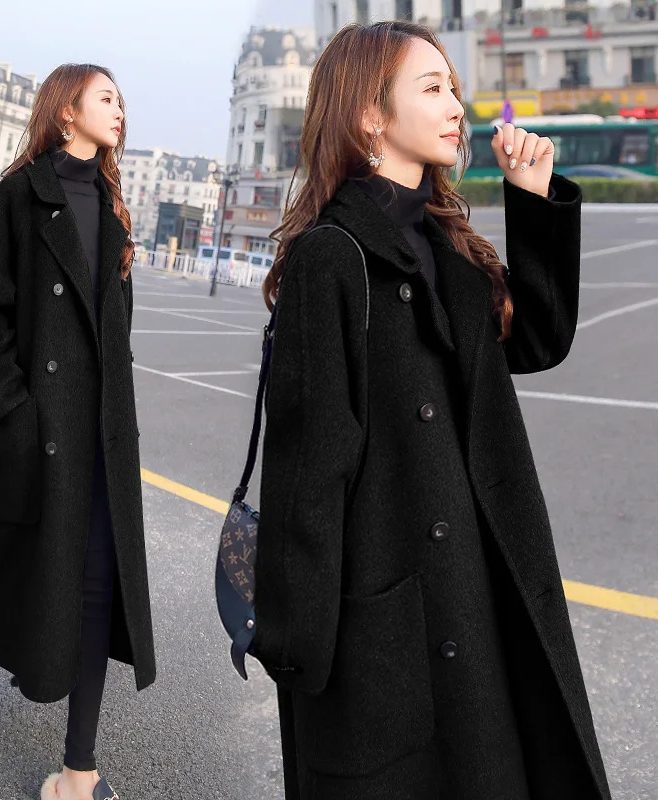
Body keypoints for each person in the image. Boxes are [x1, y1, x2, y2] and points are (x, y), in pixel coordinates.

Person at [252, 21, 612, 800]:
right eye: (433, 87)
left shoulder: (449, 246)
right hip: (387, 618)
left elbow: (537, 340)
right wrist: (299, 645)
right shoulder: (331, 256)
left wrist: (531, 201)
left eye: (453, 87)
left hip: (478, 593)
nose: (458, 106)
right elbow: (309, 472)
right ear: (369, 115)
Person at [0, 63, 155, 800]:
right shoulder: (20, 195)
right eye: (106, 96)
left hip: (100, 437)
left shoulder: (113, 208)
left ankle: (76, 773)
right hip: (34, 425)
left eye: (121, 98)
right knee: (8, 558)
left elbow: (114, 333)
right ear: (66, 111)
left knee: (94, 583)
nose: (120, 108)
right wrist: (14, 411)